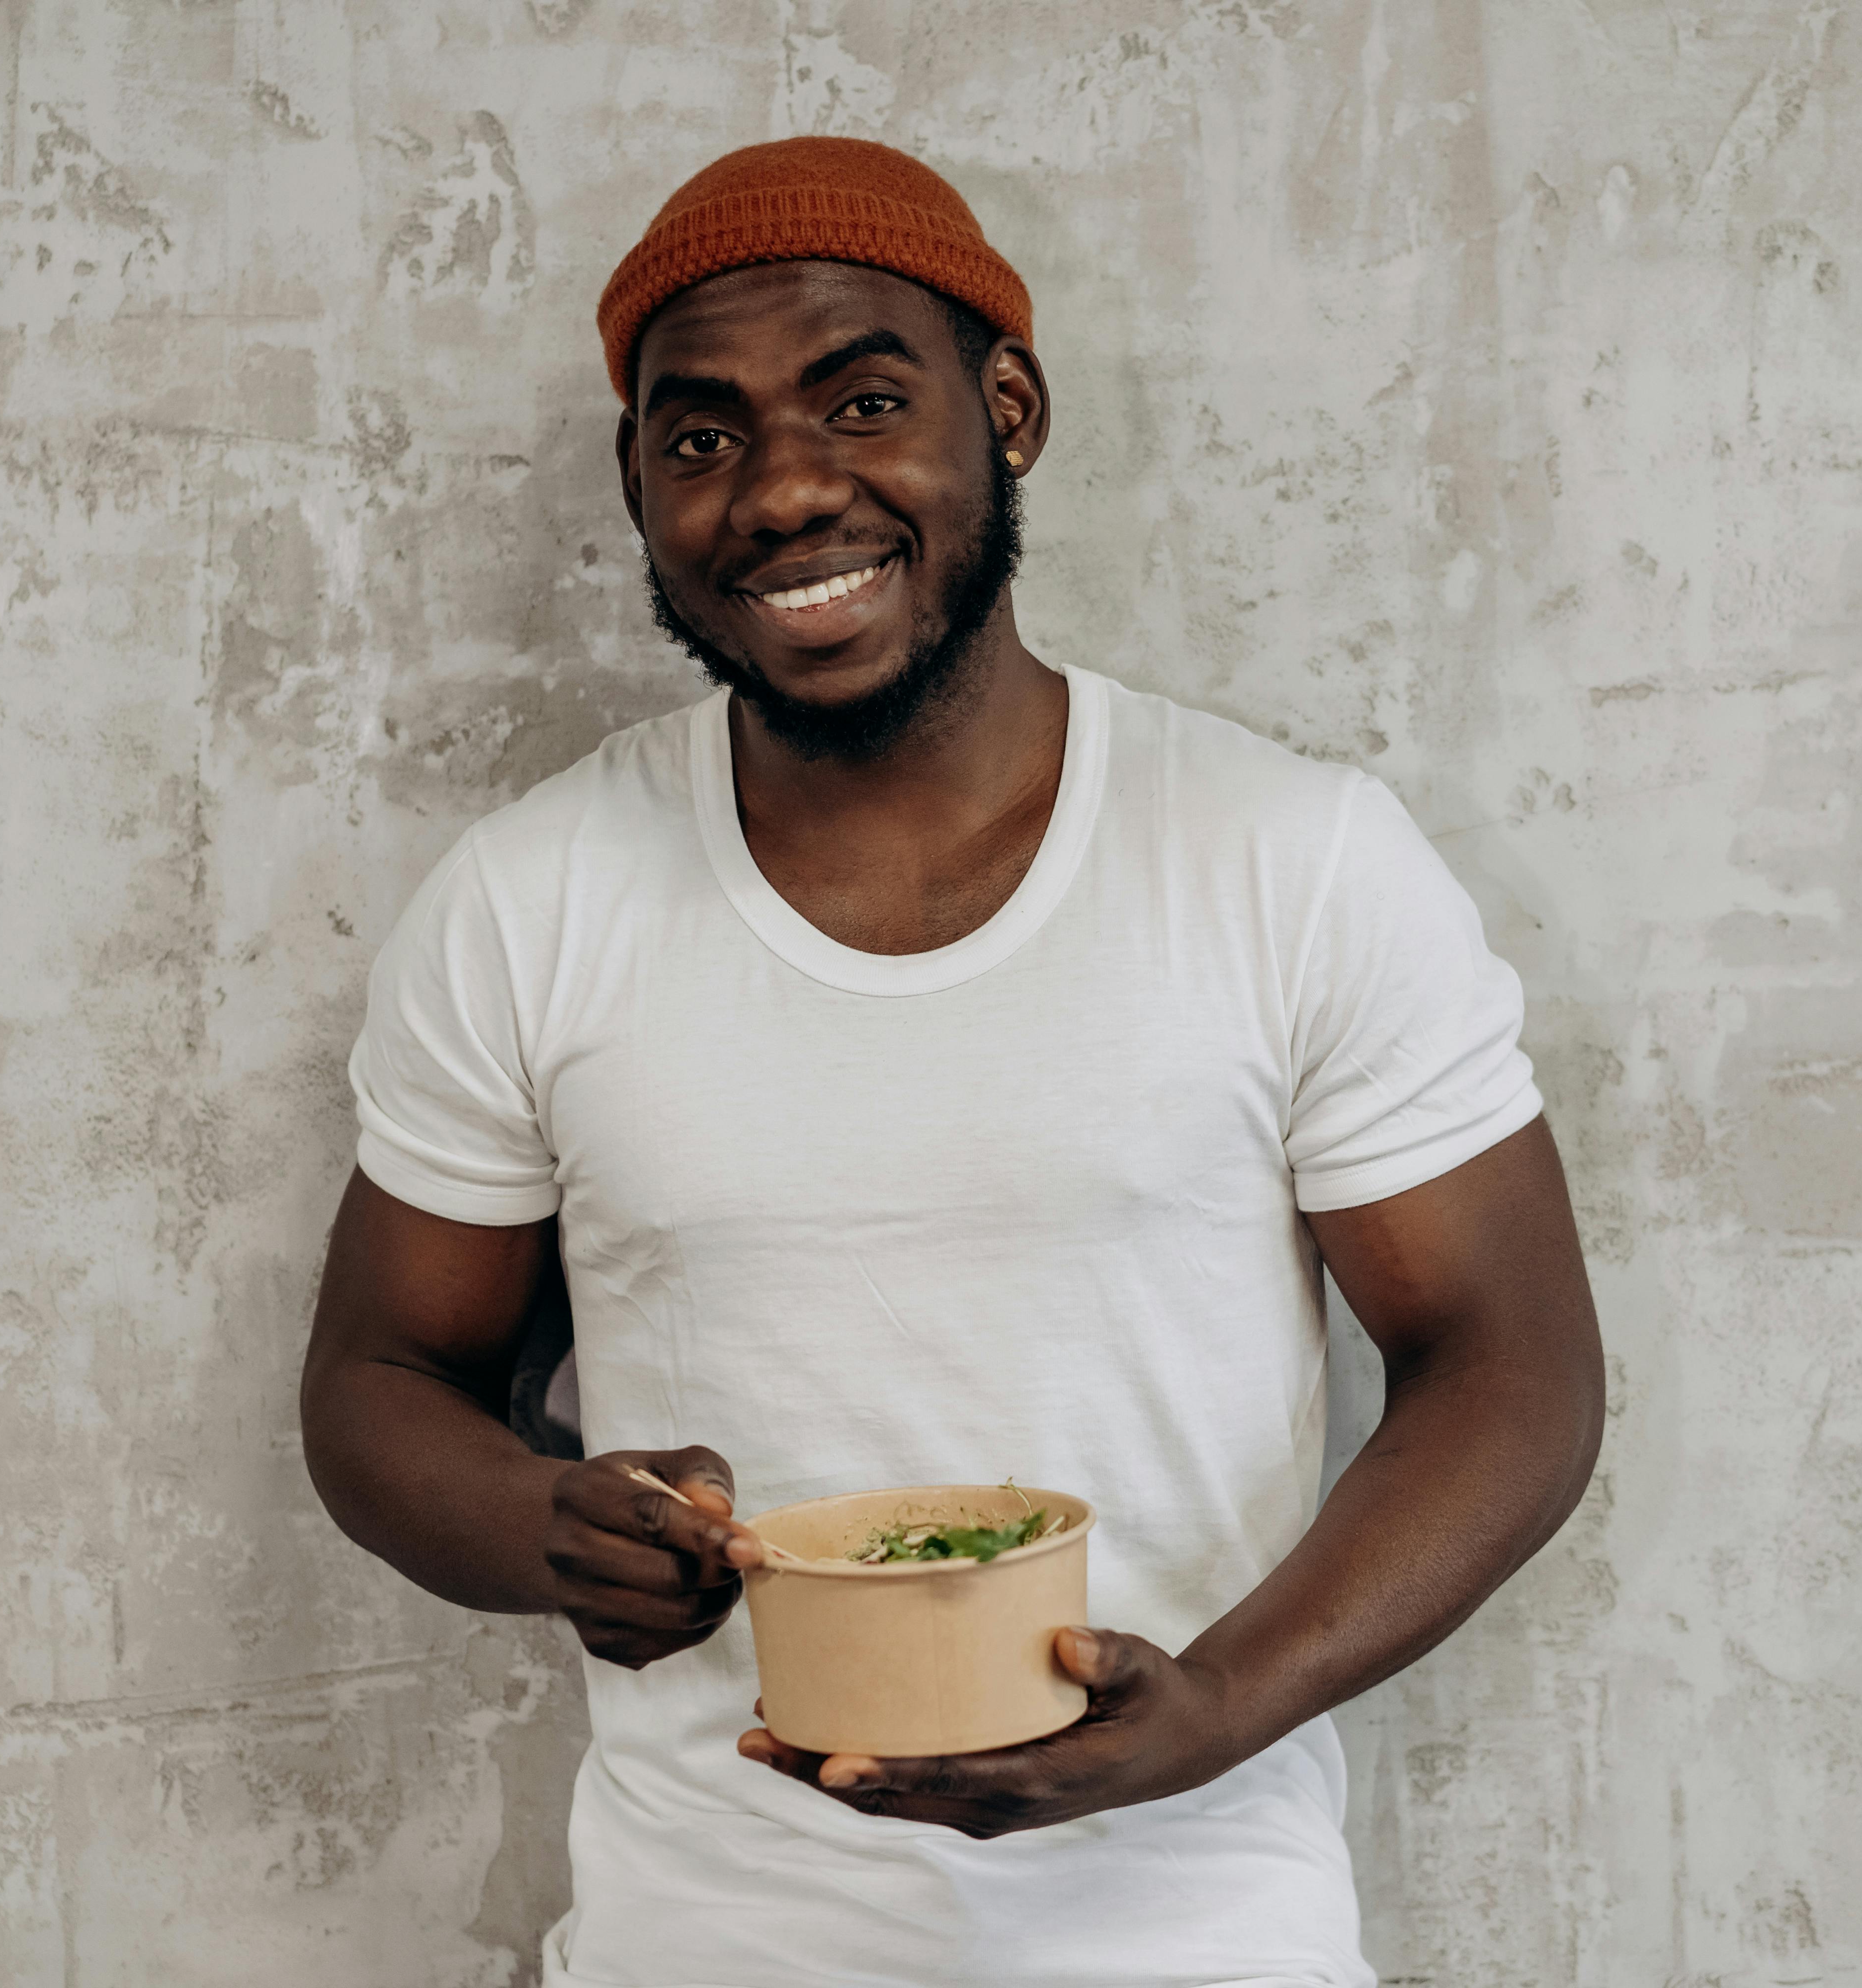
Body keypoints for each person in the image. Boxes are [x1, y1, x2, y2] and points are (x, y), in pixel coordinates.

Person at [301, 136, 1604, 1988]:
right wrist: (535, 1523)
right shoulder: (531, 901)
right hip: (705, 1941)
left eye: (864, 399)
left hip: (1199, 1936)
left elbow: (1513, 1366)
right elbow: (379, 1376)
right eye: (701, 437)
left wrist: (1216, 1706)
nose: (784, 489)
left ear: (1008, 411)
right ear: (639, 488)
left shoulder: (1286, 859)